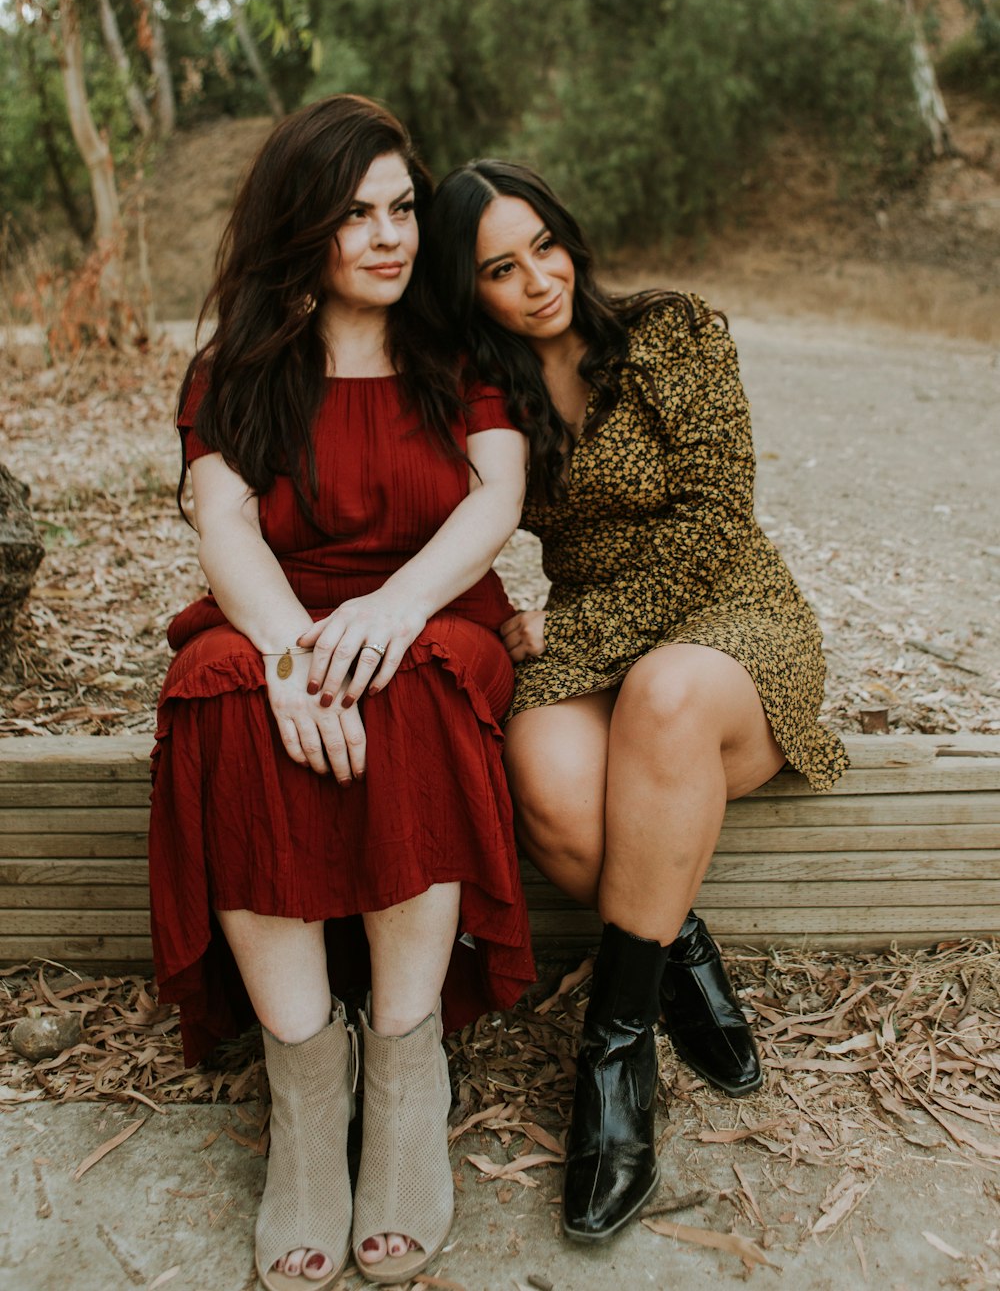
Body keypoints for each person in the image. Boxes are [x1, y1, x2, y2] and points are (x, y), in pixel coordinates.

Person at [420, 159, 848, 1243]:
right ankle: (677, 949)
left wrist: (570, 634)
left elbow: (714, 516)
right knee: (549, 781)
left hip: (730, 615)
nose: (536, 279)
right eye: (500, 268)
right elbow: (440, 517)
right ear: (468, 289)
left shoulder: (671, 331)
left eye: (544, 247)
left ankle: (613, 1064)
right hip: (593, 635)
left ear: (570, 236)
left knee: (662, 694)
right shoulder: (485, 398)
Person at [147, 99, 535, 1291]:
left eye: (402, 207)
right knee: (220, 693)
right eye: (354, 213)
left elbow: (493, 500)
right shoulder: (239, 367)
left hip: (429, 606)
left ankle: (407, 1075)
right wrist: (281, 648)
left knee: (409, 686)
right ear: (302, 226)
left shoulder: (453, 349)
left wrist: (397, 607)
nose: (387, 235)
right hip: (280, 604)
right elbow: (222, 517)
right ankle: (307, 1099)